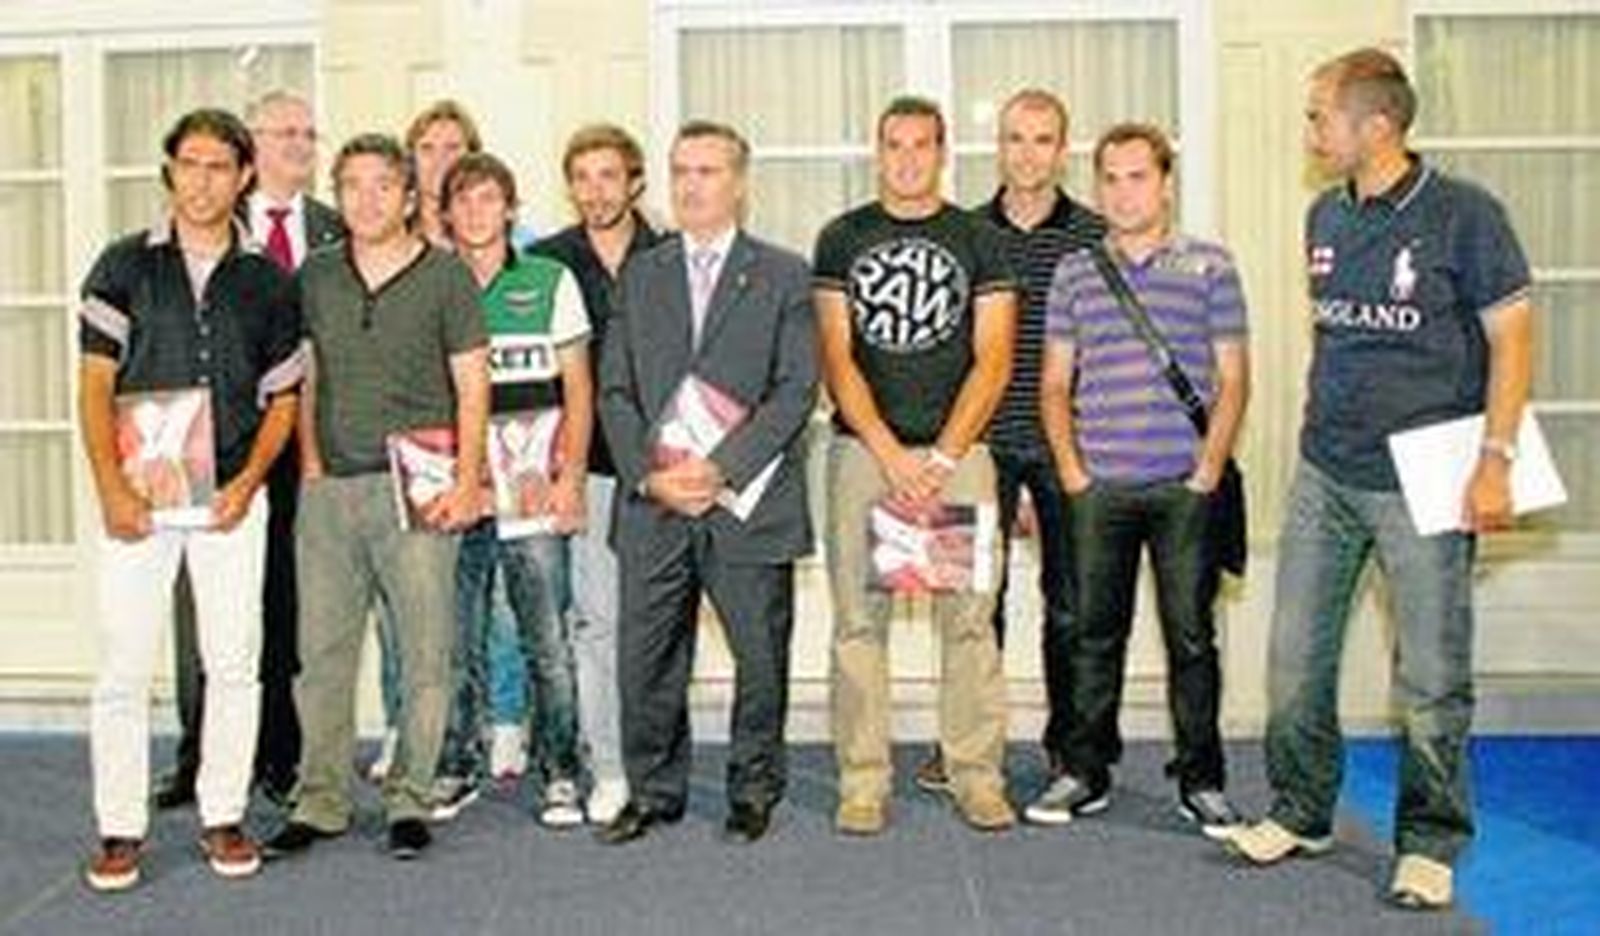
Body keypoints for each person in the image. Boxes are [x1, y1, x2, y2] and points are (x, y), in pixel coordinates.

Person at [1224, 48, 1533, 911]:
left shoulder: (1464, 216)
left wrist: (1495, 460)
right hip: (1329, 468)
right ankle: (1301, 808)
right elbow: (1339, 338)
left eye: (1321, 114)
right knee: (1292, 663)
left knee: (1431, 675)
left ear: (1377, 126)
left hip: (1429, 473)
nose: (1310, 130)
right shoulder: (1324, 214)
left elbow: (1512, 337)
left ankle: (1431, 841)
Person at [77, 108, 302, 890]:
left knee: (234, 663)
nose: (202, 181)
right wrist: (110, 488)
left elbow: (284, 401)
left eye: (219, 167)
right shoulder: (121, 266)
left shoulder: (269, 281)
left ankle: (223, 815)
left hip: (232, 500)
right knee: (122, 665)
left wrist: (246, 485)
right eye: (189, 164)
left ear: (244, 176)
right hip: (137, 499)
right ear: (168, 170)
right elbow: (95, 385)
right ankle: (118, 828)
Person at [266, 133, 489, 861]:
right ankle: (321, 800)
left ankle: (410, 800)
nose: (366, 200)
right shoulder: (316, 276)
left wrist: (466, 481)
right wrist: (311, 464)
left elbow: (471, 385)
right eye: (352, 186)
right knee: (321, 654)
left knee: (426, 653)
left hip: (420, 489)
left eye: (382, 186)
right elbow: (308, 374)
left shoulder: (447, 277)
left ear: (407, 196)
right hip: (332, 490)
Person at [597, 120, 816, 845]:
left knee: (760, 657)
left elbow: (794, 391)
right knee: (647, 658)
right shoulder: (642, 272)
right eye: (681, 171)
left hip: (745, 504)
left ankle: (754, 789)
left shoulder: (784, 274)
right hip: (656, 506)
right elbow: (615, 391)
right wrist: (650, 476)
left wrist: (720, 468)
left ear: (739, 182)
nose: (692, 185)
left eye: (708, 171)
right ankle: (654, 791)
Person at [1032, 122, 1250, 835]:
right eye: (1112, 179)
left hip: (1184, 487)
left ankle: (1203, 780)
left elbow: (1233, 377)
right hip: (1100, 489)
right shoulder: (1074, 272)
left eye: (1138, 177)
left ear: (1165, 183)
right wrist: (1071, 472)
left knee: (1191, 639)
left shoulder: (1211, 266)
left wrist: (1208, 470)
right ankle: (1083, 772)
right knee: (1093, 636)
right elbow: (1055, 381)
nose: (1124, 193)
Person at [815, 96, 1018, 836]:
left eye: (921, 145)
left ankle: (976, 775)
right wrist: (890, 453)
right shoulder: (842, 238)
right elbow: (836, 357)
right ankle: (863, 782)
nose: (906, 158)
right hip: (864, 453)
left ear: (942, 154)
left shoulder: (978, 240)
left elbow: (993, 360)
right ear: (878, 152)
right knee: (856, 624)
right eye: (893, 145)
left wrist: (940, 456)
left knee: (967, 622)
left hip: (956, 456)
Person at [155, 89, 345, 812]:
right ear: (249, 149)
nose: (300, 144)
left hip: (310, 446)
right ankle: (196, 751)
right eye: (283, 132)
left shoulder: (336, 228)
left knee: (287, 601)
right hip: (217, 446)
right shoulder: (203, 229)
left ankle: (278, 754)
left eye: (308, 131)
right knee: (198, 607)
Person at [915, 87, 1107, 796]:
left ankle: (1069, 750)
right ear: (997, 148)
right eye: (1014, 138)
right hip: (973, 450)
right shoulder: (960, 231)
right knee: (968, 604)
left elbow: (1106, 354)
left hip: (1067, 448)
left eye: (1042, 139)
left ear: (1062, 150)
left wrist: (1069, 451)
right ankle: (966, 744)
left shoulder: (1093, 235)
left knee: (1071, 604)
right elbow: (945, 352)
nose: (1027, 153)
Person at [429, 151, 590, 829]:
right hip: (457, 494)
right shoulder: (430, 284)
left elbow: (578, 389)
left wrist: (571, 480)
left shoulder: (550, 279)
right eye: (462, 200)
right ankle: (457, 765)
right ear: (444, 213)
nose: (475, 212)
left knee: (546, 640)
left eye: (488, 198)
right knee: (454, 639)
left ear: (511, 209)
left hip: (532, 493)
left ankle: (560, 771)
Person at [529, 123, 663, 824]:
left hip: (666, 471)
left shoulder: (671, 254)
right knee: (597, 625)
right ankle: (606, 764)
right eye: (582, 177)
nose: (595, 191)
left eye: (609, 176)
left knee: (659, 623)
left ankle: (655, 759)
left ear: (635, 181)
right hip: (588, 471)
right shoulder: (548, 263)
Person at [364, 98, 488, 785]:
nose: (440, 160)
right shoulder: (384, 244)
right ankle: (400, 723)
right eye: (428, 148)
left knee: (476, 601)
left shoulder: (493, 240)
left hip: (472, 450)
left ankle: (491, 723)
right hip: (398, 456)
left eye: (453, 147)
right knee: (395, 606)